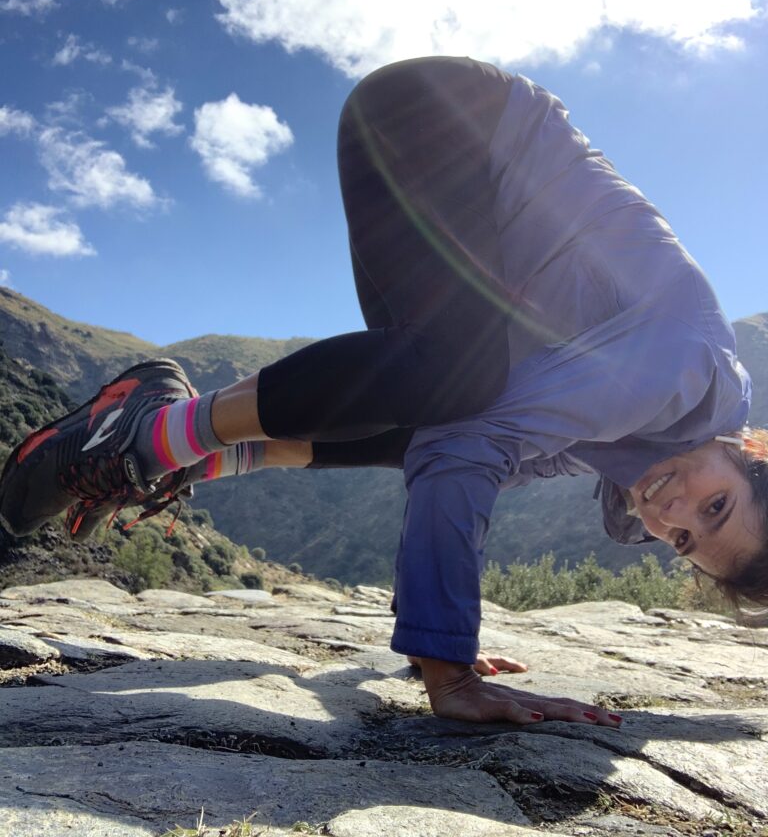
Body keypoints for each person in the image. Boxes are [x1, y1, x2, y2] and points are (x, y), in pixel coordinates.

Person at [2, 56, 766, 729]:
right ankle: (154, 433)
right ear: (750, 450)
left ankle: (189, 456)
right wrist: (448, 665)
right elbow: (464, 449)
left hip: (430, 182)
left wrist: (429, 633)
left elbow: (455, 452)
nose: (672, 515)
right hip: (449, 118)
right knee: (457, 389)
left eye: (687, 541)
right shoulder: (682, 371)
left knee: (440, 406)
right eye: (716, 504)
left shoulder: (631, 445)